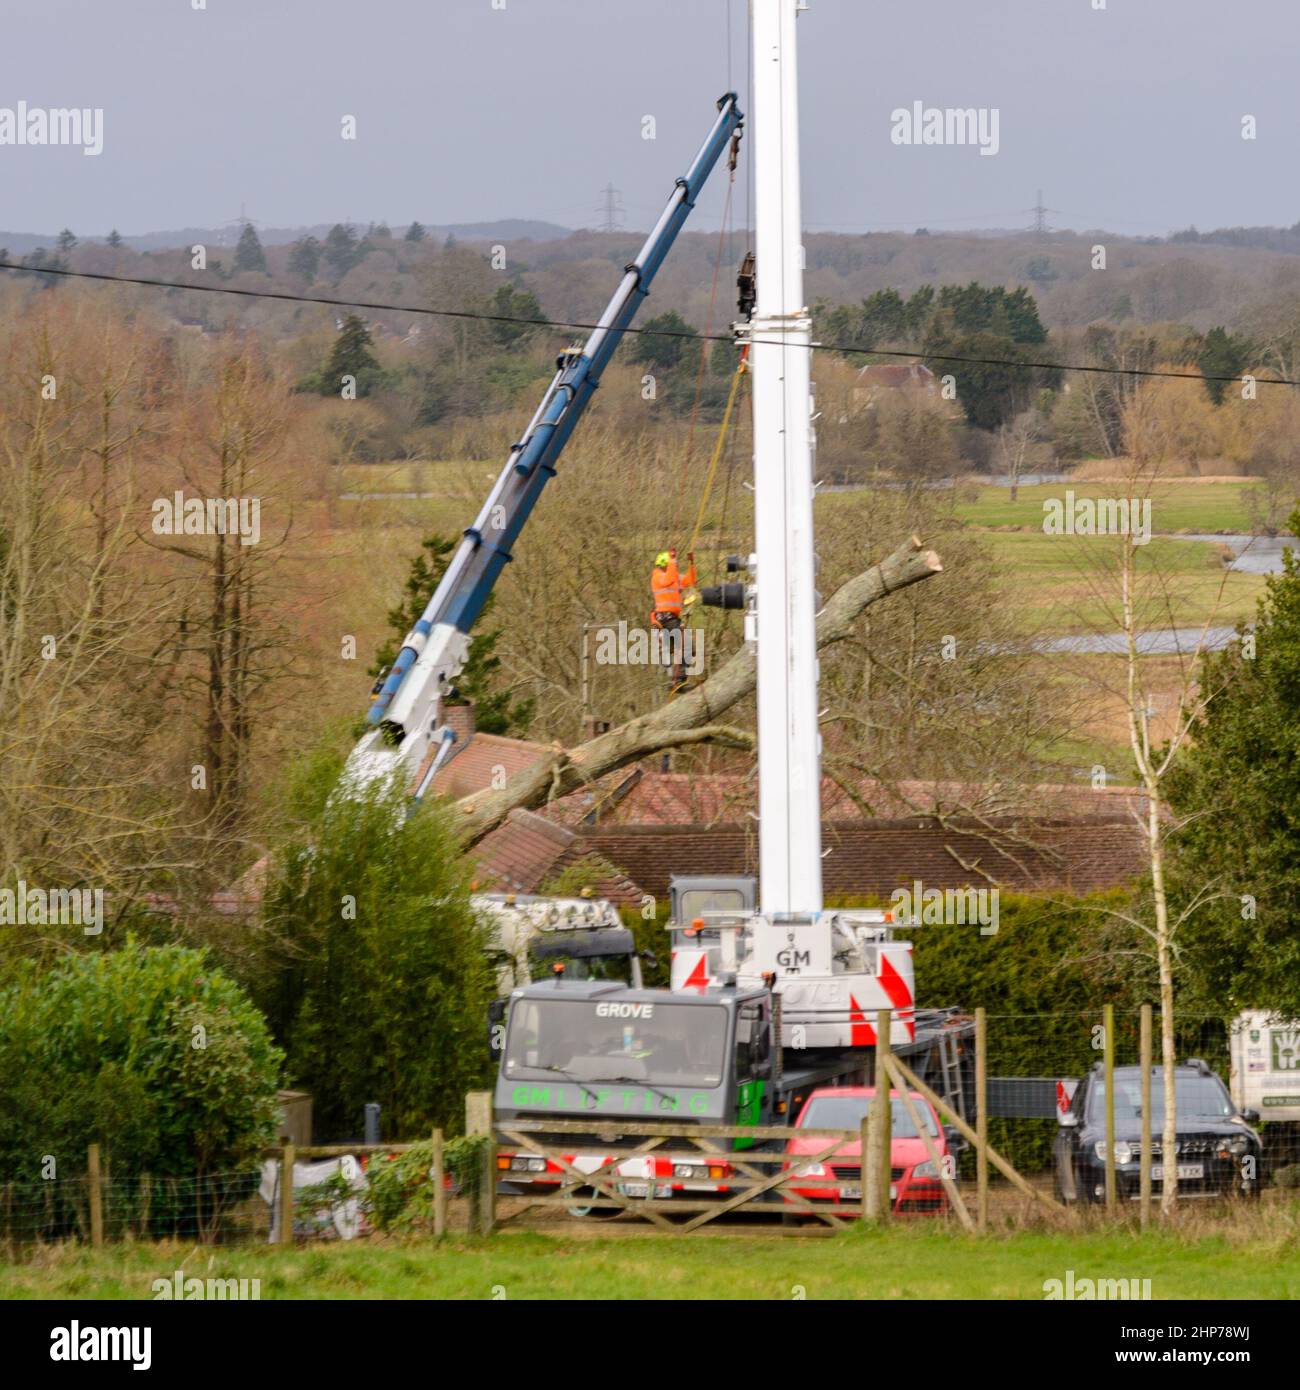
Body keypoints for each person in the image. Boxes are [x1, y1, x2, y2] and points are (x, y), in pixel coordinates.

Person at [650, 548, 696, 689]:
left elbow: (691, 580)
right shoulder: (658, 576)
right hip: (665, 619)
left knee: (688, 648)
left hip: (672, 619)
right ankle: (678, 681)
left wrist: (691, 563)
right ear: (664, 564)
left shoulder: (672, 575)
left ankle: (679, 680)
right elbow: (669, 579)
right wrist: (673, 560)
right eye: (670, 565)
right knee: (686, 646)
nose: (673, 567)